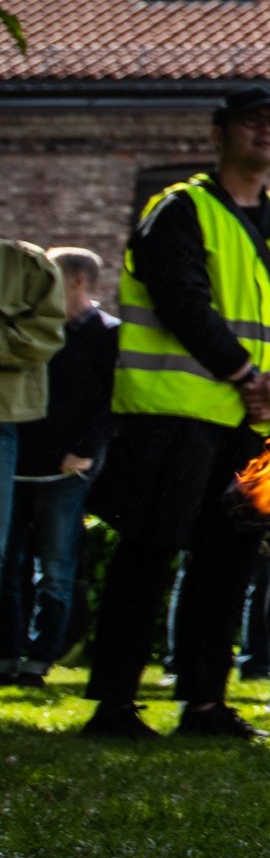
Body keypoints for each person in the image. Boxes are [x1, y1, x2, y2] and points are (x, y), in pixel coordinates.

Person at [79, 86, 270, 740]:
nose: (267, 132)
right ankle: (116, 703)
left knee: (229, 560)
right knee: (149, 553)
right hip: (177, 408)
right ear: (218, 134)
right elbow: (180, 299)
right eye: (253, 121)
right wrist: (247, 375)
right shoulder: (179, 208)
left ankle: (206, 702)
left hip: (258, 421)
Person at [3, 249, 114, 682]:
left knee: (55, 570)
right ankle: (6, 655)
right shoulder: (33, 330)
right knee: (7, 567)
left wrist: (86, 450)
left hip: (66, 471)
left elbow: (111, 401)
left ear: (75, 283)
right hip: (17, 462)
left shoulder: (106, 335)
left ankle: (39, 658)